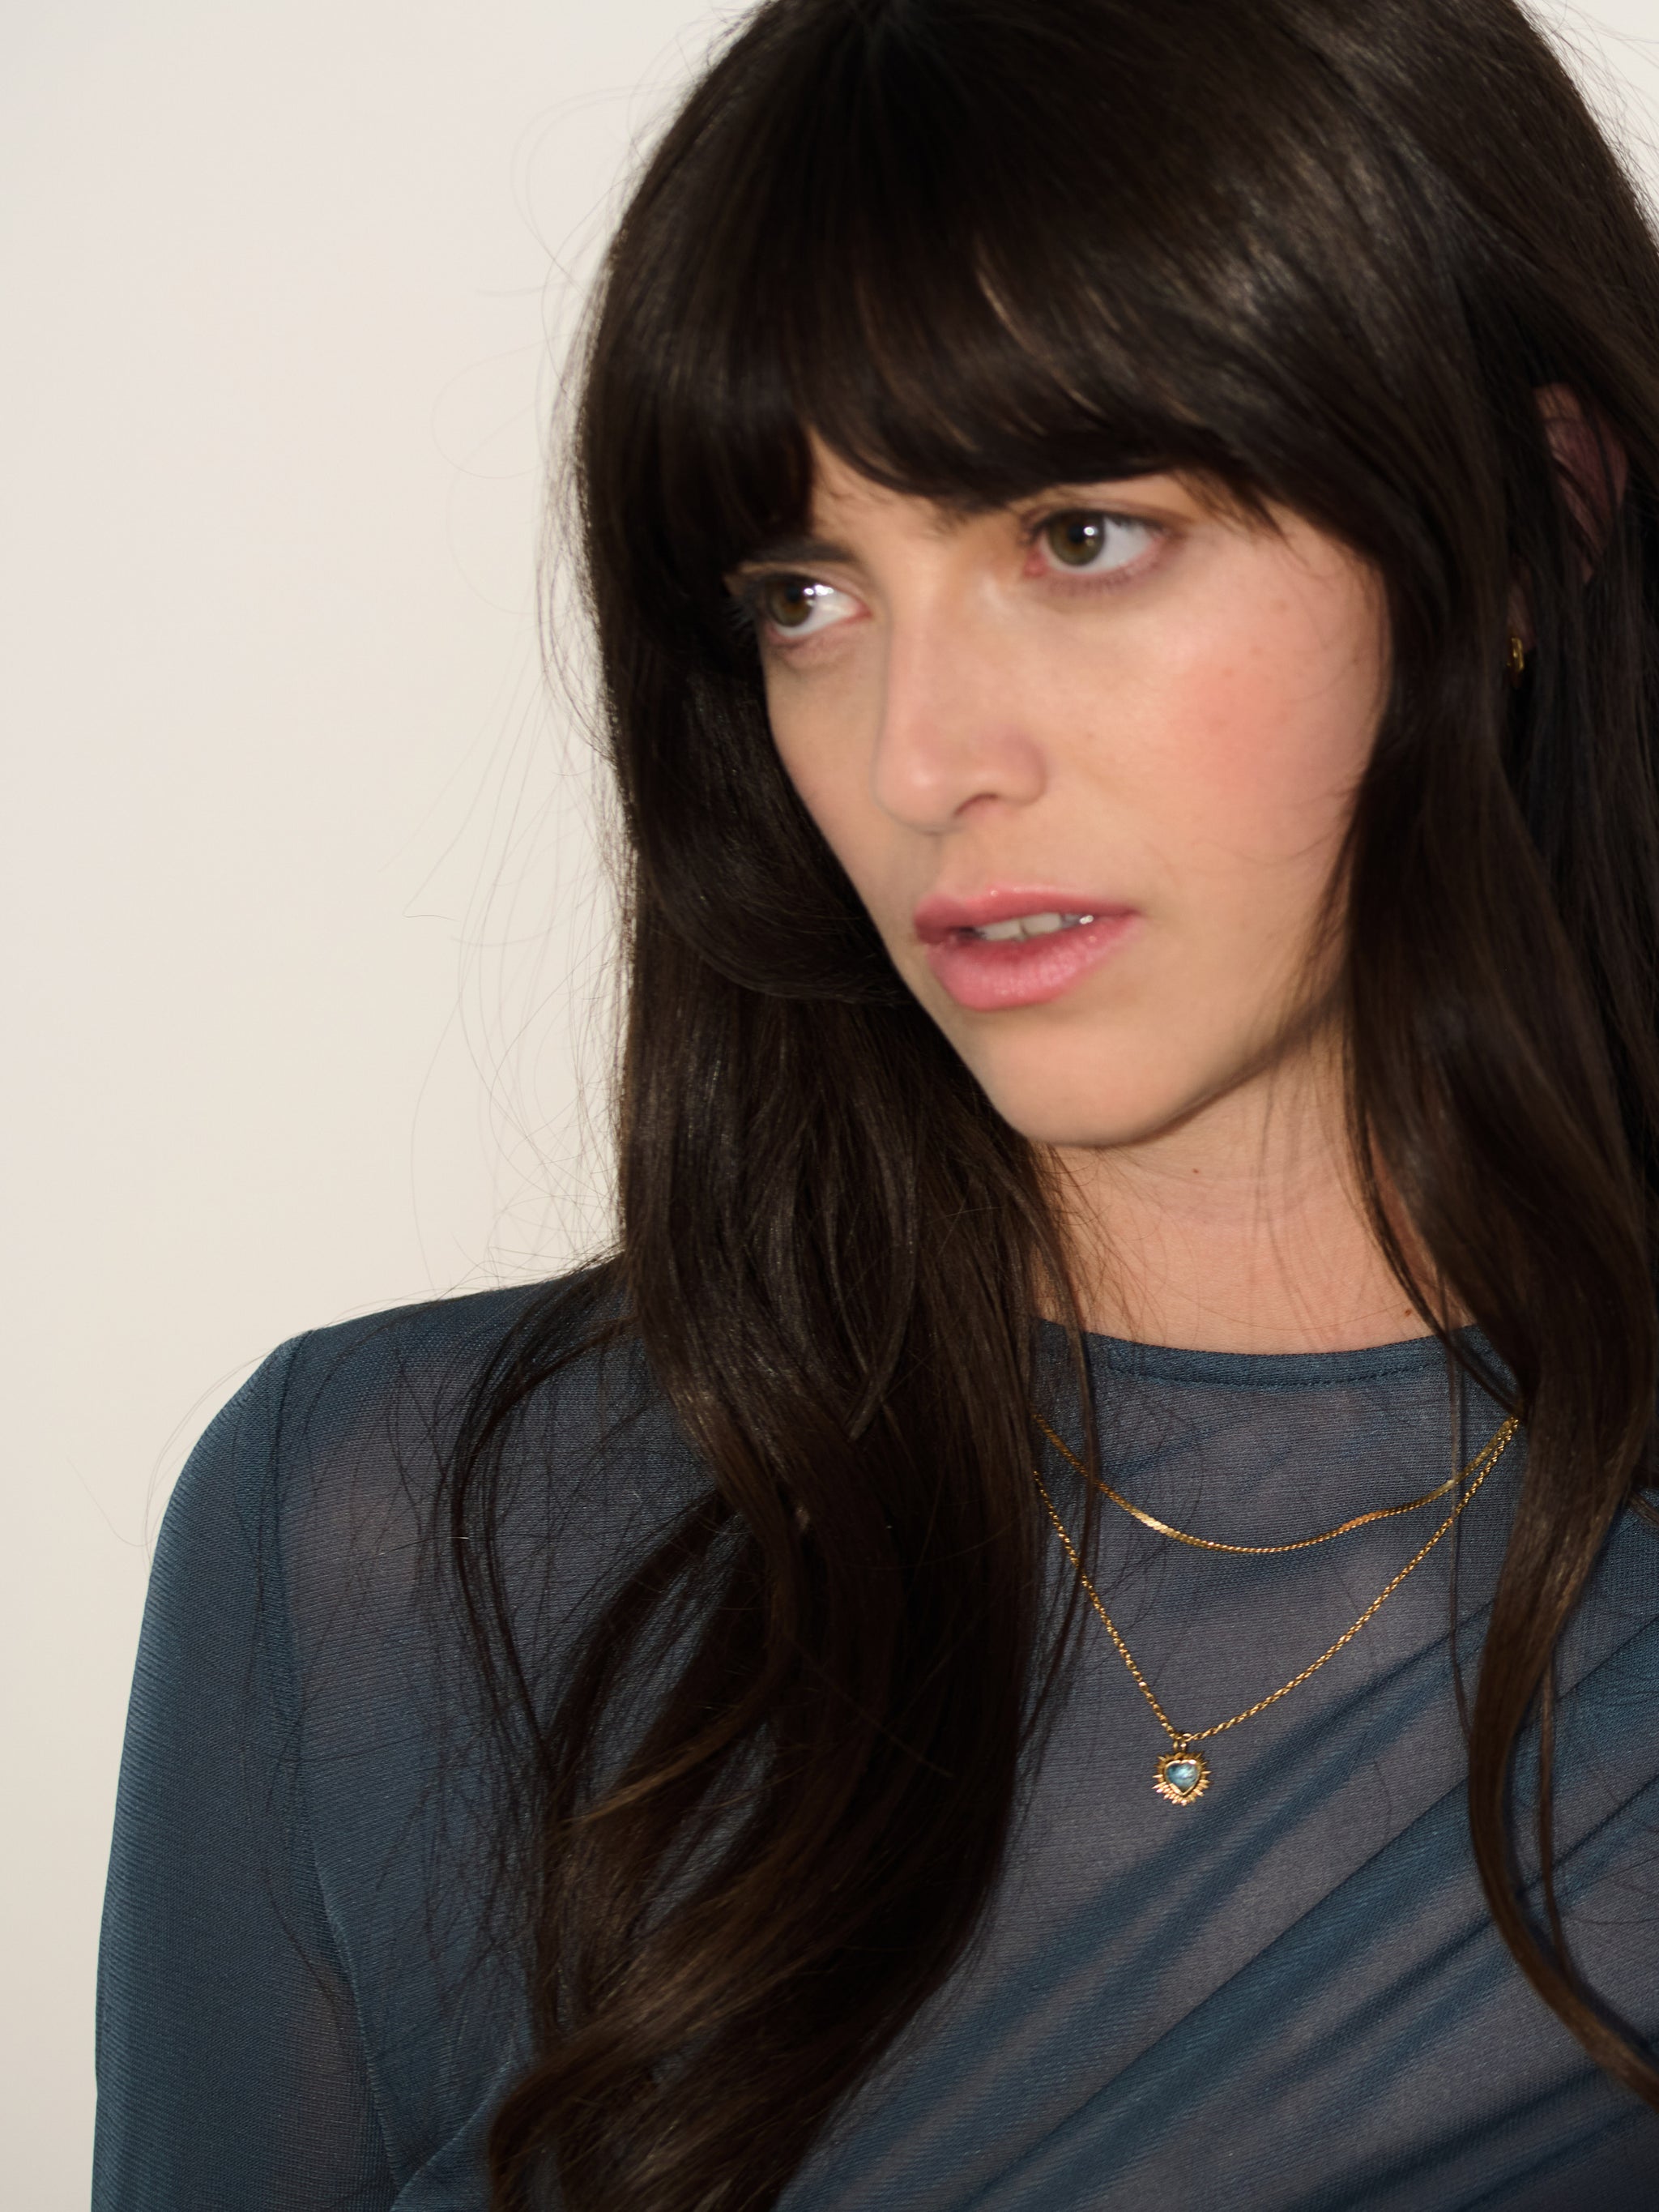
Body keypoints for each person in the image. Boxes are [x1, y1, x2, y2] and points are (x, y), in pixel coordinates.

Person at [92, 0, 1659, 2205]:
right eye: (808, 596)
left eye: (1082, 537)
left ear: (1530, 525)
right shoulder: (396, 1541)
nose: (920, 756)